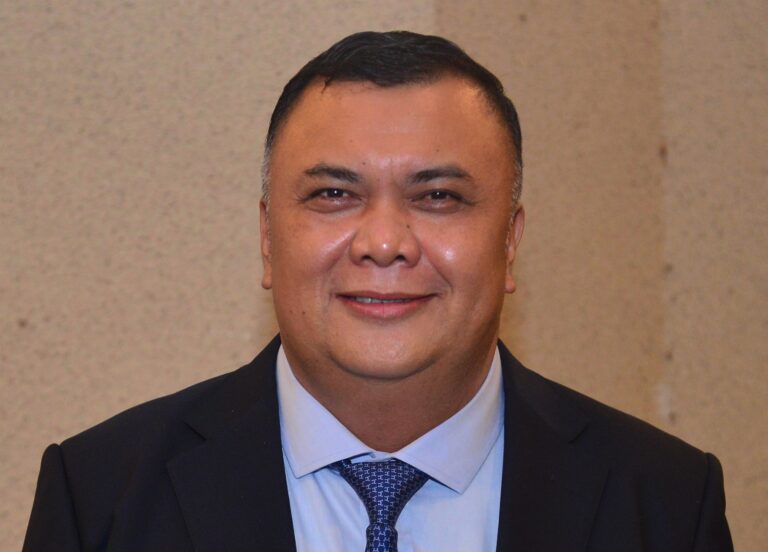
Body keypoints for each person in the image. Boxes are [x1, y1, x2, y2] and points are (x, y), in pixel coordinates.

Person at [24, 30, 732, 551]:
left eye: (439, 196)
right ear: (268, 238)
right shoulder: (99, 498)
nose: (384, 241)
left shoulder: (665, 503)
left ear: (510, 243)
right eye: (333, 194)